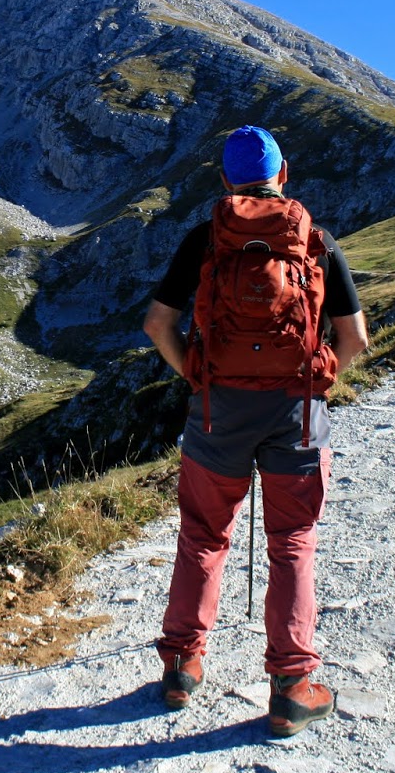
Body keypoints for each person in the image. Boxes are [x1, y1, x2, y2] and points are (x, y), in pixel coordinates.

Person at [142, 125, 370, 737]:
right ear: (283, 173)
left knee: (202, 534)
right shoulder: (316, 242)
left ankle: (182, 665)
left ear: (225, 181)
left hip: (218, 411)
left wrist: (195, 370)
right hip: (295, 413)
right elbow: (356, 341)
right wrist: (319, 376)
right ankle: (293, 685)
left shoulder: (204, 240)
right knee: (292, 540)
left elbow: (158, 324)